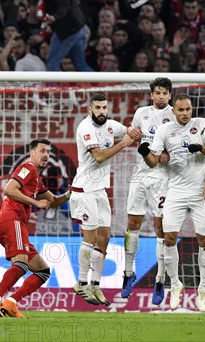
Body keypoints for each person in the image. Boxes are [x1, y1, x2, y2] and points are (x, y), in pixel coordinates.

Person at [139, 94, 205, 311]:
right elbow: (154, 162)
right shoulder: (165, 131)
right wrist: (145, 153)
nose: (185, 113)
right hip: (175, 190)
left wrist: (201, 150)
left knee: (204, 240)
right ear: (173, 111)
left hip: (200, 192)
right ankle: (175, 284)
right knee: (169, 238)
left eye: (188, 109)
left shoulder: (202, 125)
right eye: (181, 110)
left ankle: (203, 288)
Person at [0, 139, 71, 318]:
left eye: (48, 152)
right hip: (11, 219)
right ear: (32, 153)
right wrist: (35, 202)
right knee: (21, 264)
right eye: (42, 151)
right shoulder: (27, 168)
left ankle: (11, 302)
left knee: (42, 271)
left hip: (16, 223)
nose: (46, 155)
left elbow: (54, 201)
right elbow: (9, 189)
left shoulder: (37, 180)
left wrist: (73, 192)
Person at [71, 93, 139, 306]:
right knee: (90, 238)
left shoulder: (110, 125)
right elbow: (99, 156)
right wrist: (124, 144)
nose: (101, 111)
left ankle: (96, 284)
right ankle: (81, 283)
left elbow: (128, 130)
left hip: (99, 189)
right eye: (97, 108)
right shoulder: (85, 128)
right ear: (89, 109)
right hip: (84, 189)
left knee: (104, 237)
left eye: (104, 108)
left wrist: (134, 129)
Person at [121, 77, 174, 304]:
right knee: (132, 224)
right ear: (152, 95)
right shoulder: (141, 113)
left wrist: (168, 155)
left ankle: (160, 280)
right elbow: (134, 137)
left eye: (165, 93)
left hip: (163, 177)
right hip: (140, 175)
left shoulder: (175, 115)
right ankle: (127, 273)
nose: (161, 96)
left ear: (169, 96)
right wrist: (129, 135)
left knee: (160, 228)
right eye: (157, 93)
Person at [44, 0, 93, 71]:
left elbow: (64, 7)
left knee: (52, 64)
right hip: (78, 28)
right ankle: (97, 82)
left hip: (67, 31)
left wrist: (55, 18)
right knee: (80, 65)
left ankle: (51, 82)